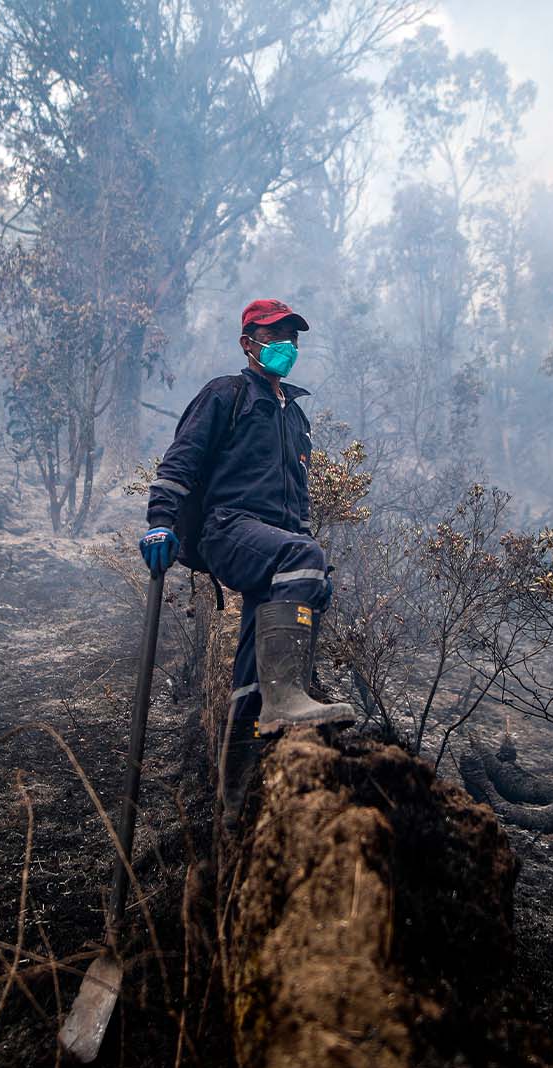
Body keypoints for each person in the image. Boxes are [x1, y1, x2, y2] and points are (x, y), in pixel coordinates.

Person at [139, 299, 356, 796]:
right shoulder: (226, 394)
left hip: (273, 541)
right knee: (302, 560)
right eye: (274, 335)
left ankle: (236, 789)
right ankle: (288, 700)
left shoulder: (295, 417)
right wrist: (159, 523)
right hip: (228, 527)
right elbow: (180, 464)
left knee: (303, 571)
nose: (286, 345)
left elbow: (298, 502)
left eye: (292, 337)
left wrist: (305, 551)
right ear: (248, 344)